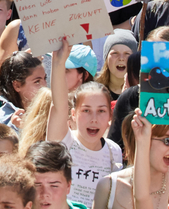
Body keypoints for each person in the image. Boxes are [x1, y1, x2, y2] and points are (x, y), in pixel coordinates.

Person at [47, 37, 122, 207]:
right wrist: (58, 63)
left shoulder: (114, 151)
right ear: (73, 114)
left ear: (110, 116)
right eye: (86, 110)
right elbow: (57, 106)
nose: (94, 119)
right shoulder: (64, 142)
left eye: (101, 111)